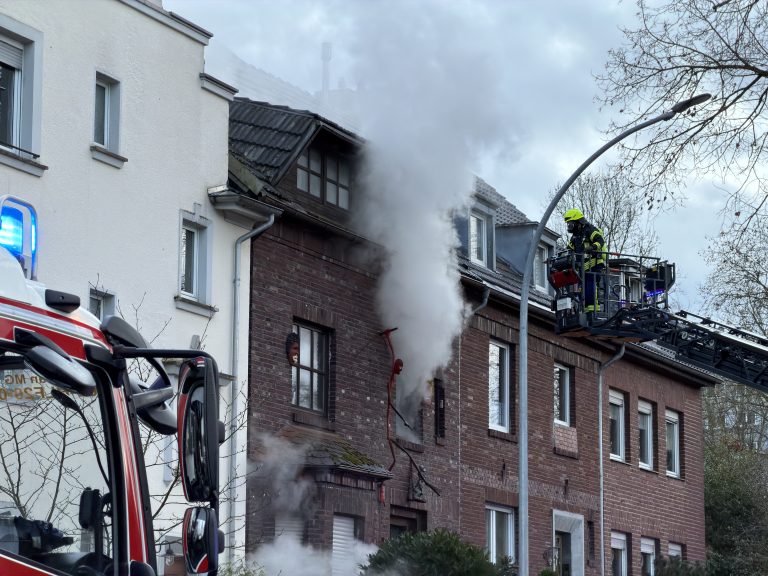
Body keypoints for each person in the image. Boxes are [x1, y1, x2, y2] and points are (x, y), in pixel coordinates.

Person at [563, 208, 607, 313]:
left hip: (594, 264)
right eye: (568, 224)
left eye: (570, 223)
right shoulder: (575, 237)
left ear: (578, 222)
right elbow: (569, 249)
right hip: (583, 268)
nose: (569, 226)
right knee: (583, 289)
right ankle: (586, 310)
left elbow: (599, 240)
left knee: (590, 286)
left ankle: (592, 311)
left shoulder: (589, 229)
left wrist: (592, 248)